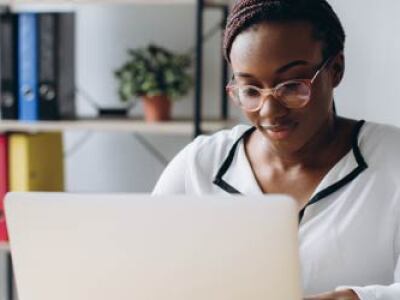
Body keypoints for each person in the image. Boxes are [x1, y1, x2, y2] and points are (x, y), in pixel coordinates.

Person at [153, 0, 400, 299]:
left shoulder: (392, 159)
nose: (269, 111)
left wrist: (354, 298)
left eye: (292, 86)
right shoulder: (200, 165)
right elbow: (146, 273)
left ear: (336, 69)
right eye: (250, 90)